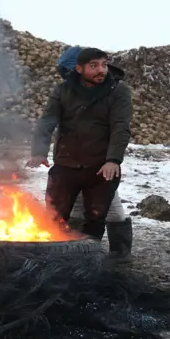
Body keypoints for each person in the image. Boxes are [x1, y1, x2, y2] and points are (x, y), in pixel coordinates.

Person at [27, 47, 133, 256]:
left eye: (103, 65)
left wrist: (113, 160)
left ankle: (101, 258)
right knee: (56, 215)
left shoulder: (118, 91)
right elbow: (48, 120)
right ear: (78, 69)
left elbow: (120, 127)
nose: (101, 70)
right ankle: (55, 255)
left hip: (100, 165)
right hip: (68, 162)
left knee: (98, 216)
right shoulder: (63, 89)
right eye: (94, 66)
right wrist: (39, 151)